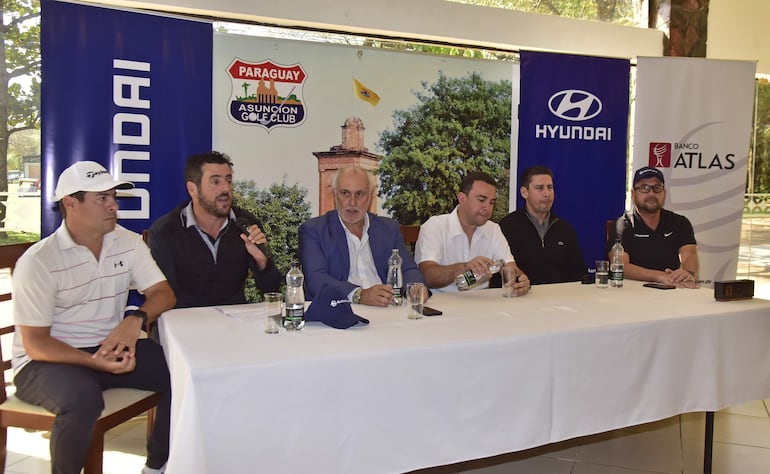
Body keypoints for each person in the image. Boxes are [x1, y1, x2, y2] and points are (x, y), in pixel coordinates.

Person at [11, 161, 176, 474]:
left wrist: (135, 320)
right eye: (102, 199)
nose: (113, 205)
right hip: (44, 362)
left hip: (107, 348)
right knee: (83, 399)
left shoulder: (126, 243)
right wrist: (95, 362)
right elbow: (35, 344)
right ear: (71, 204)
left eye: (113, 196)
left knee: (181, 371)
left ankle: (157, 466)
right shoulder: (39, 261)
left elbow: (164, 294)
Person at [147, 151, 282, 308]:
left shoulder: (245, 223)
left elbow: (272, 288)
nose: (226, 189)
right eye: (215, 182)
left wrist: (262, 261)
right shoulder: (166, 230)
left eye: (229, 181)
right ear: (192, 189)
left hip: (235, 321)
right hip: (186, 321)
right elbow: (164, 296)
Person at [299, 165, 428, 306]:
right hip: (341, 311)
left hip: (388, 309)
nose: (352, 202)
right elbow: (316, 279)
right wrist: (359, 294)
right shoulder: (314, 230)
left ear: (370, 196)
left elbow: (408, 269)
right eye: (345, 193)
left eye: (359, 194)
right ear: (335, 195)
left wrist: (416, 286)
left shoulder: (389, 228)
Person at [415, 171, 530, 295]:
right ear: (462, 199)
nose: (487, 207)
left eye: (492, 202)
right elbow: (427, 276)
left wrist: (520, 281)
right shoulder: (436, 226)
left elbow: (510, 267)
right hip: (440, 305)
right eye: (481, 200)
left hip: (481, 305)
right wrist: (464, 267)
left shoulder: (493, 229)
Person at [610, 166, 699, 288]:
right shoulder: (622, 225)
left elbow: (690, 256)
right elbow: (620, 265)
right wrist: (660, 276)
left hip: (671, 290)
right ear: (633, 194)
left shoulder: (680, 222)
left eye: (657, 188)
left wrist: (687, 273)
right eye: (644, 188)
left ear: (664, 193)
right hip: (633, 292)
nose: (651, 193)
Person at [499, 166, 586, 285]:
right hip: (522, 297)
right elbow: (500, 273)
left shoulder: (565, 229)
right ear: (524, 192)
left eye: (550, 188)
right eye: (539, 188)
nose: (547, 194)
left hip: (560, 298)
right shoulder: (507, 227)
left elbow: (579, 273)